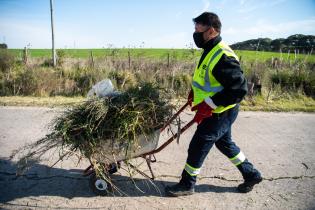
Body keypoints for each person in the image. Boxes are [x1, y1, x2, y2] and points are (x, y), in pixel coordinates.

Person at [165, 12, 262, 196]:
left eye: (198, 29)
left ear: (210, 31)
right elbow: (208, 79)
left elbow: (238, 90)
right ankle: (251, 174)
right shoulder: (211, 49)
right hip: (217, 109)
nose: (195, 34)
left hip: (220, 111)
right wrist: (195, 91)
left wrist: (209, 103)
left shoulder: (222, 54)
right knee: (225, 143)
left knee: (198, 145)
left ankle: (187, 184)